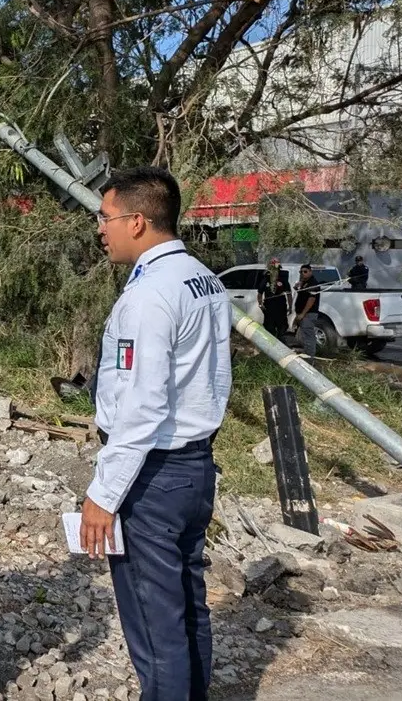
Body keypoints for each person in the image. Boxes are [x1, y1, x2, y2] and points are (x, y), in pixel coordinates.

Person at [80, 166, 233, 701]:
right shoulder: (203, 279)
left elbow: (142, 406)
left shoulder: (149, 297)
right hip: (194, 468)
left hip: (154, 476)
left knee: (154, 623)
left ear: (138, 221)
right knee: (189, 606)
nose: (100, 229)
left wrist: (103, 492)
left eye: (105, 217)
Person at [293, 264, 322, 362]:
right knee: (304, 335)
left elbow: (311, 300)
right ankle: (307, 355)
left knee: (309, 336)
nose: (302, 273)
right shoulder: (305, 283)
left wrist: (302, 314)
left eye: (305, 271)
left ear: (310, 271)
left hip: (308, 314)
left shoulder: (313, 283)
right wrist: (297, 287)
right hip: (303, 314)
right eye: (301, 272)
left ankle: (310, 359)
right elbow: (301, 294)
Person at [257, 258, 289, 338]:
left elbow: (289, 293)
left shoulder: (283, 278)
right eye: (273, 268)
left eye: (276, 268)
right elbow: (260, 293)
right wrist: (260, 304)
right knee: (269, 329)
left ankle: (281, 344)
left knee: (282, 328)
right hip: (269, 308)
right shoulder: (265, 279)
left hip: (281, 308)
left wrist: (290, 306)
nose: (275, 270)